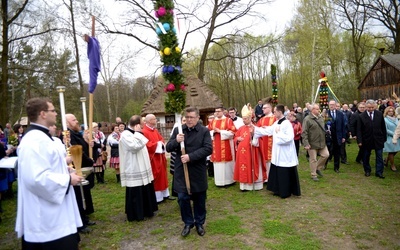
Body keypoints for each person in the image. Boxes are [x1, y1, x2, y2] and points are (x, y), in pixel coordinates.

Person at [15, 97, 83, 249]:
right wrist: (67, 180)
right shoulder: (33, 141)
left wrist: (65, 170)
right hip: (46, 221)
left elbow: (47, 167)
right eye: (53, 110)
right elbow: (35, 178)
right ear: (42, 114)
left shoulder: (44, 138)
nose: (56, 114)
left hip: (56, 214)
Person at [166, 107, 213, 237]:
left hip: (197, 169)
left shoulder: (204, 131)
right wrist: (176, 141)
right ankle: (188, 222)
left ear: (198, 118)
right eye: (187, 117)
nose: (189, 120)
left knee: (199, 198)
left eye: (192, 117)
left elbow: (208, 149)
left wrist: (190, 156)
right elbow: (168, 148)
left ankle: (199, 223)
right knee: (182, 198)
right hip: (182, 170)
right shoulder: (179, 130)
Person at [252, 104, 301, 199]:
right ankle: (278, 189)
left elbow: (289, 137)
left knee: (284, 171)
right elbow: (269, 131)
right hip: (277, 152)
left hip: (285, 153)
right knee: (277, 169)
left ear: (280, 112)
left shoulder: (286, 123)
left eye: (275, 111)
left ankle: (285, 191)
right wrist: (255, 129)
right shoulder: (277, 122)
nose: (274, 113)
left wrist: (278, 135)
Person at [119, 115, 158, 221]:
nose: (143, 126)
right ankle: (137, 214)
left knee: (145, 188)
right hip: (133, 167)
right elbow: (134, 147)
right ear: (136, 125)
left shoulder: (135, 133)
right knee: (136, 190)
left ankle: (147, 210)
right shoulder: (125, 135)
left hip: (142, 165)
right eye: (142, 124)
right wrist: (138, 133)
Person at [65, 113, 96, 234]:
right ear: (67, 123)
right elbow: (77, 151)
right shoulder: (69, 136)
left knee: (83, 194)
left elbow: (83, 147)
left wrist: (88, 142)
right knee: (78, 196)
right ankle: (80, 222)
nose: (77, 121)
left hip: (82, 166)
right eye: (74, 120)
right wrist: (89, 161)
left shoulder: (76, 134)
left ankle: (84, 217)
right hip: (77, 168)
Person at [233, 105, 266, 191]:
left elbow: (260, 140)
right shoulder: (241, 128)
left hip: (252, 152)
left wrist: (253, 137)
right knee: (243, 167)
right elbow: (235, 137)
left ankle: (254, 185)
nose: (243, 120)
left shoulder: (255, 128)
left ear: (250, 118)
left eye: (245, 119)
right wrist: (237, 139)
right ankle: (244, 186)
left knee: (251, 166)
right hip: (242, 154)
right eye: (243, 119)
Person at [142, 114, 170, 203]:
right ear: (150, 121)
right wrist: (157, 144)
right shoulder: (144, 132)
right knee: (156, 176)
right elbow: (147, 145)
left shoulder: (155, 130)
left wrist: (160, 143)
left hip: (160, 156)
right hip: (153, 158)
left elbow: (161, 139)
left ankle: (165, 194)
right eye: (155, 119)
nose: (156, 121)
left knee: (163, 175)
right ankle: (158, 197)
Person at [357, 99, 387, 178]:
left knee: (379, 156)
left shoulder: (379, 114)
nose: (370, 109)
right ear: (366, 107)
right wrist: (359, 141)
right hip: (366, 139)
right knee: (366, 156)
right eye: (369, 107)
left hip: (378, 139)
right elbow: (359, 130)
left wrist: (384, 138)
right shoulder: (361, 116)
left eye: (372, 107)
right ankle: (367, 170)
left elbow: (383, 127)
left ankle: (379, 172)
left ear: (375, 106)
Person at [207, 106, 237, 186]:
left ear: (223, 111)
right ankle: (219, 182)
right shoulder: (213, 121)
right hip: (215, 145)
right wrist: (213, 132)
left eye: (219, 111)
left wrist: (220, 131)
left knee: (227, 163)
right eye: (216, 111)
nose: (217, 112)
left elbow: (233, 132)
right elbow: (208, 132)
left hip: (226, 144)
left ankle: (229, 181)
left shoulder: (228, 120)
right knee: (218, 164)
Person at [301, 104, 329, 181]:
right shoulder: (307, 119)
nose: (318, 110)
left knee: (326, 155)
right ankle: (313, 174)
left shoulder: (320, 118)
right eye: (317, 109)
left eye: (318, 109)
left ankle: (317, 168)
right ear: (312, 110)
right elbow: (304, 132)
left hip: (322, 142)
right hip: (312, 143)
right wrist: (306, 143)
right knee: (313, 159)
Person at [256, 103, 276, 182]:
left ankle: (272, 177)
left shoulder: (275, 118)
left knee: (271, 160)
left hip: (272, 143)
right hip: (263, 142)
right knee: (263, 159)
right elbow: (257, 129)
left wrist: (268, 129)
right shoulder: (261, 119)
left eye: (265, 108)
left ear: (270, 108)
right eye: (263, 108)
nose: (262, 109)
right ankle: (265, 177)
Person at [169, 116, 187, 197]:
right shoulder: (177, 129)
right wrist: (176, 140)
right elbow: (169, 146)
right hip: (178, 157)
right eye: (183, 120)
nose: (185, 122)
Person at [327, 100, 346, 173]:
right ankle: (324, 164)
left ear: (335, 105)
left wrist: (343, 136)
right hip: (329, 136)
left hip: (338, 136)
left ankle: (336, 167)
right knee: (328, 151)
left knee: (337, 152)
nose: (331, 106)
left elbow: (343, 126)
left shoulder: (340, 114)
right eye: (330, 104)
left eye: (333, 104)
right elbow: (324, 125)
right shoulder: (326, 114)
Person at [383, 106, 400, 172]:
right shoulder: (385, 119)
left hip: (397, 137)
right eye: (389, 111)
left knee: (396, 150)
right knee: (391, 152)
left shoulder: (396, 119)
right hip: (390, 137)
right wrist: (395, 134)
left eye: (392, 111)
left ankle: (386, 160)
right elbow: (386, 130)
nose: (391, 112)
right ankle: (392, 165)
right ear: (387, 112)